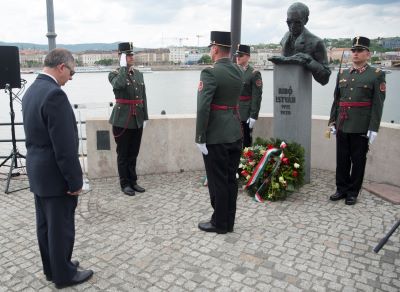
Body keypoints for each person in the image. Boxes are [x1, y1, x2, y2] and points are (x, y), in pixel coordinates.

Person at [22, 48, 93, 288]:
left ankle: (54, 268)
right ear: (61, 67)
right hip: (55, 175)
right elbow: (64, 147)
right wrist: (75, 182)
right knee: (60, 227)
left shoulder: (32, 90)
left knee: (45, 226)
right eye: (71, 72)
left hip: (38, 172)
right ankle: (64, 276)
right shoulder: (55, 95)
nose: (71, 78)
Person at [329, 36, 386, 205]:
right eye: (353, 50)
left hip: (361, 125)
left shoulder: (376, 75)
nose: (355, 53)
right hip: (342, 124)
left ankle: (353, 192)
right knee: (342, 159)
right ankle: (341, 189)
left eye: (360, 50)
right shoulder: (343, 73)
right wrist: (332, 121)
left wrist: (374, 127)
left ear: (368, 54)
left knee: (358, 160)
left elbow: (378, 103)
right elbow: (336, 100)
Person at [196, 31, 243, 234]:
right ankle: (228, 221)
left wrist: (200, 136)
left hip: (216, 135)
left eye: (211, 48)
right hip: (234, 132)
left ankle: (219, 223)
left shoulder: (210, 73)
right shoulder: (239, 71)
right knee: (230, 180)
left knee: (217, 181)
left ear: (215, 48)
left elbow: (203, 107)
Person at [109, 42, 149, 196]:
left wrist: (145, 117)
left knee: (133, 153)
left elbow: (143, 97)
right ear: (121, 57)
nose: (132, 57)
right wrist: (123, 67)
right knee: (123, 154)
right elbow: (118, 85)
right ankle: (124, 183)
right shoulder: (114, 74)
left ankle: (133, 181)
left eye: (132, 54)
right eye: (128, 55)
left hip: (137, 118)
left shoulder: (139, 74)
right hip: (122, 120)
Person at [268, 2, 331, 85]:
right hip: (285, 85)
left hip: (301, 88)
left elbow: (325, 79)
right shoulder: (285, 37)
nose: (292, 26)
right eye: (289, 22)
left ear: (306, 20)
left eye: (297, 22)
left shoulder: (316, 43)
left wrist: (309, 61)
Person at [235, 44, 263, 148]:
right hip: (233, 113)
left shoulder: (254, 73)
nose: (237, 57)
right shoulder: (233, 71)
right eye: (237, 55)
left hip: (245, 114)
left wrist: (253, 116)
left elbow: (257, 96)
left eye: (240, 55)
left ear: (247, 56)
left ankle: (244, 163)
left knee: (245, 142)